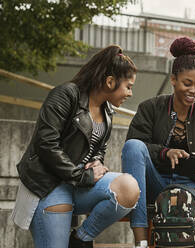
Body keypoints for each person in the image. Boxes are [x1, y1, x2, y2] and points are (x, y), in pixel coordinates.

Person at [11, 45, 140, 248]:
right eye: (129, 86)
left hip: (79, 184)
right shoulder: (66, 95)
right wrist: (82, 176)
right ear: (110, 81)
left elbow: (98, 148)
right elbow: (46, 145)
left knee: (128, 187)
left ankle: (81, 239)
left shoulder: (107, 111)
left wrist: (97, 164)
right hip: (49, 185)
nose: (130, 93)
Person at [121, 36, 195, 248]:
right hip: (156, 182)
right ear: (173, 80)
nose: (193, 90)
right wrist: (165, 152)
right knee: (134, 146)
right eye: (187, 83)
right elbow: (134, 145)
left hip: (191, 186)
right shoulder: (150, 107)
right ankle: (141, 241)